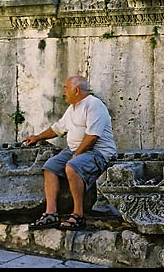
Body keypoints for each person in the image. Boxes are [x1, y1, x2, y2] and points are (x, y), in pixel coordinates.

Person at [22, 75, 117, 231]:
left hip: (97, 152)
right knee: (50, 167)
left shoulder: (94, 105)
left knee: (72, 166)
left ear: (76, 90)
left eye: (66, 88)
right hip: (75, 149)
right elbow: (57, 128)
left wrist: (76, 155)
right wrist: (37, 137)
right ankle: (51, 214)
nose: (63, 92)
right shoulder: (73, 108)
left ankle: (78, 216)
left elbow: (92, 136)